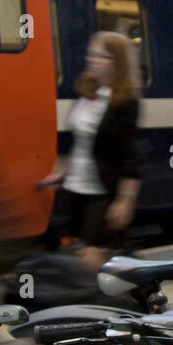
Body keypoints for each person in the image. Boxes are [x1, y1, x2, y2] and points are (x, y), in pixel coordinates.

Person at [39, 31, 143, 255]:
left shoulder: (125, 103)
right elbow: (80, 140)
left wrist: (125, 200)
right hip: (75, 188)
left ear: (117, 63)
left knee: (93, 256)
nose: (92, 60)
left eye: (101, 56)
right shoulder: (88, 93)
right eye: (91, 54)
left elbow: (130, 156)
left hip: (102, 192)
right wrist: (62, 171)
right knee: (78, 255)